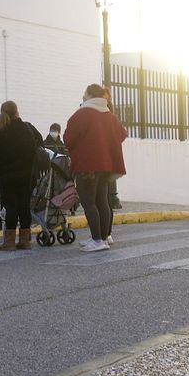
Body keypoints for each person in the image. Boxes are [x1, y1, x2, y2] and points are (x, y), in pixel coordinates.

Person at [64, 83, 127, 252]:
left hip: (87, 165)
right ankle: (104, 237)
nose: (83, 95)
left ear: (90, 95)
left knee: (88, 202)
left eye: (85, 93)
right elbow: (122, 134)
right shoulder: (109, 115)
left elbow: (68, 138)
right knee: (102, 200)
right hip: (106, 165)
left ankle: (97, 240)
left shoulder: (83, 113)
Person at [0, 101, 43, 251]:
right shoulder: (26, 128)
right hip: (27, 176)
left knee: (10, 207)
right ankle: (25, 241)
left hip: (6, 176)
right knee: (24, 206)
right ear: (17, 112)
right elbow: (39, 143)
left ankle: (9, 242)